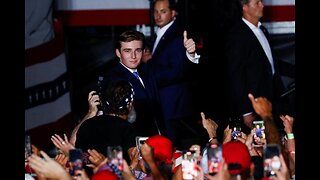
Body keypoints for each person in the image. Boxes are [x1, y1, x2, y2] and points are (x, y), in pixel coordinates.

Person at [225, 0, 291, 133]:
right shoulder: (237, 35)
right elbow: (236, 76)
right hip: (254, 105)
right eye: (257, 3)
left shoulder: (262, 30)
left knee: (275, 140)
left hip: (272, 101)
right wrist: (246, 111)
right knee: (258, 145)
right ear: (245, 7)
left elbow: (272, 63)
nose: (262, 5)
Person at [143, 0, 201, 147]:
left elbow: (177, 71)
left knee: (172, 149)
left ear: (173, 13)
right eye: (156, 12)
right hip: (166, 103)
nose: (158, 15)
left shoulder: (176, 35)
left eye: (163, 11)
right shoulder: (161, 33)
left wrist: (148, 64)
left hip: (173, 105)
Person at [100, 30, 165, 137]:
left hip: (159, 137)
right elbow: (116, 120)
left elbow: (176, 75)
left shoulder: (147, 71)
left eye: (138, 50)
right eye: (127, 51)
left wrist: (190, 55)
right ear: (118, 53)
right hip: (134, 141)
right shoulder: (113, 79)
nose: (133, 56)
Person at [75, 80, 137, 163]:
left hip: (86, 175)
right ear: (130, 104)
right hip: (115, 175)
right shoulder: (126, 128)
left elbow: (77, 163)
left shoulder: (85, 125)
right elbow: (131, 161)